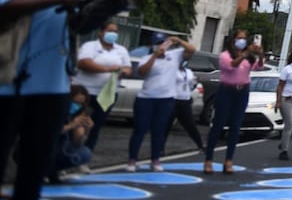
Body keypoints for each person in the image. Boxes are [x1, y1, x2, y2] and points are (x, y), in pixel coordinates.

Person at [0, 0, 91, 200]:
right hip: (9, 79)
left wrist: (104, 4)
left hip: (54, 84)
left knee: (34, 170)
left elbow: (83, 8)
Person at [129, 32, 195, 171]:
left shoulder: (174, 55)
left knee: (159, 130)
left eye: (162, 43)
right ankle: (132, 159)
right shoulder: (146, 58)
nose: (161, 46)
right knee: (140, 130)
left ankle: (155, 159)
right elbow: (142, 72)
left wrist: (178, 40)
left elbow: (191, 50)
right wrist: (154, 56)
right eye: (157, 44)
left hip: (165, 99)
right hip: (146, 98)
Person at [204, 29, 262, 174]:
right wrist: (245, 54)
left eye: (244, 38)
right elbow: (232, 66)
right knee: (218, 125)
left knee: (236, 127)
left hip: (242, 91)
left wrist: (260, 54)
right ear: (233, 40)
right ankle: (208, 159)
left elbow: (259, 66)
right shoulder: (225, 55)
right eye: (239, 38)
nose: (242, 41)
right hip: (227, 90)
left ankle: (229, 160)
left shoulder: (249, 57)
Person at [75, 19, 132, 151]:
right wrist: (108, 69)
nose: (113, 34)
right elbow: (84, 63)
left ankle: (87, 152)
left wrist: (123, 72)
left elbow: (128, 68)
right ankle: (71, 149)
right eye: (110, 31)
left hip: (108, 93)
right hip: (85, 92)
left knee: (96, 125)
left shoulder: (121, 50)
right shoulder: (90, 46)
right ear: (101, 33)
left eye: (116, 32)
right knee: (78, 122)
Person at [50, 84, 94, 180]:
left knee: (85, 153)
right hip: (46, 147)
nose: (76, 106)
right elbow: (50, 131)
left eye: (80, 104)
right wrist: (71, 125)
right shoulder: (55, 110)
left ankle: (55, 169)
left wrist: (84, 128)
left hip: (61, 147)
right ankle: (47, 169)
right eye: (74, 102)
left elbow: (77, 142)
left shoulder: (75, 115)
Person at [169, 56, 205, 151]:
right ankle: (159, 149)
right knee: (166, 125)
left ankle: (200, 145)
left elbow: (191, 85)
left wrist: (195, 83)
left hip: (185, 100)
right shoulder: (172, 71)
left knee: (190, 124)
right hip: (173, 100)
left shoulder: (188, 72)